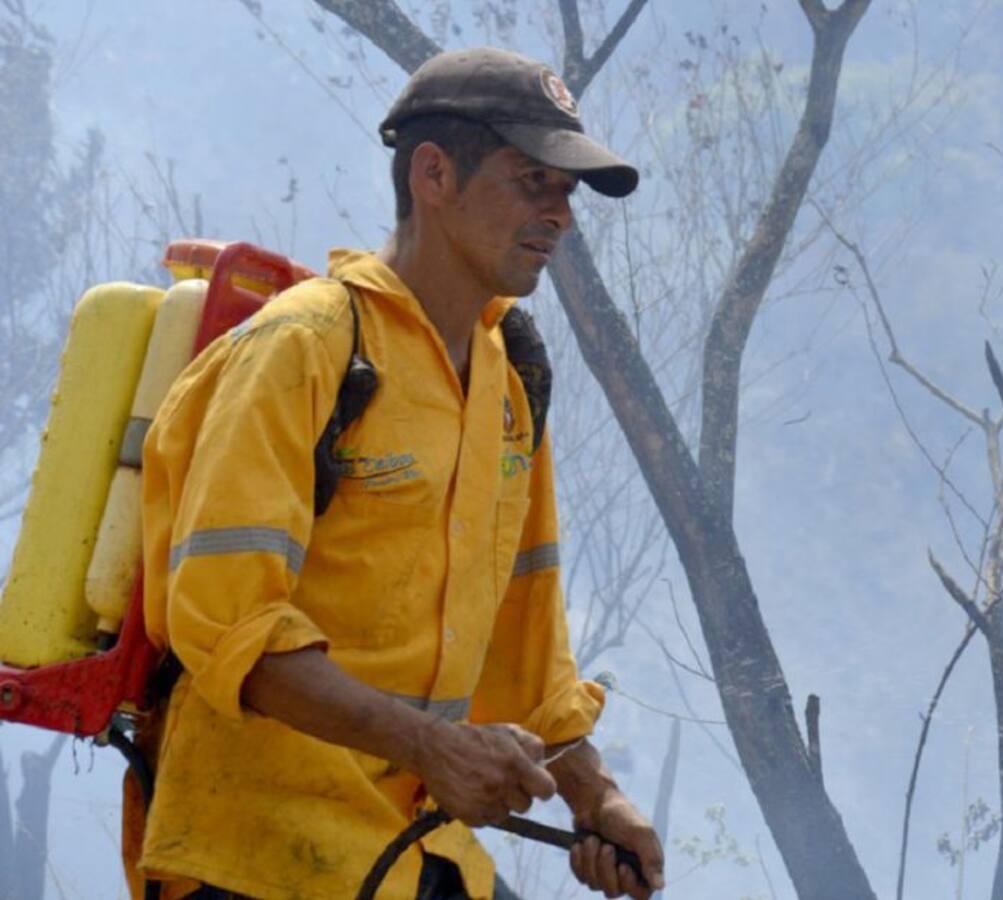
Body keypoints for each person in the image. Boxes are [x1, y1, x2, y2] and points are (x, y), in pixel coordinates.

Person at [131, 47, 665, 900]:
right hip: (256, 855)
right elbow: (230, 629)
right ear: (434, 175)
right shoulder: (303, 347)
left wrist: (594, 794)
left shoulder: (507, 385)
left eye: (567, 193)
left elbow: (529, 655)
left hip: (420, 850)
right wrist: (431, 747)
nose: (560, 215)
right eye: (534, 181)